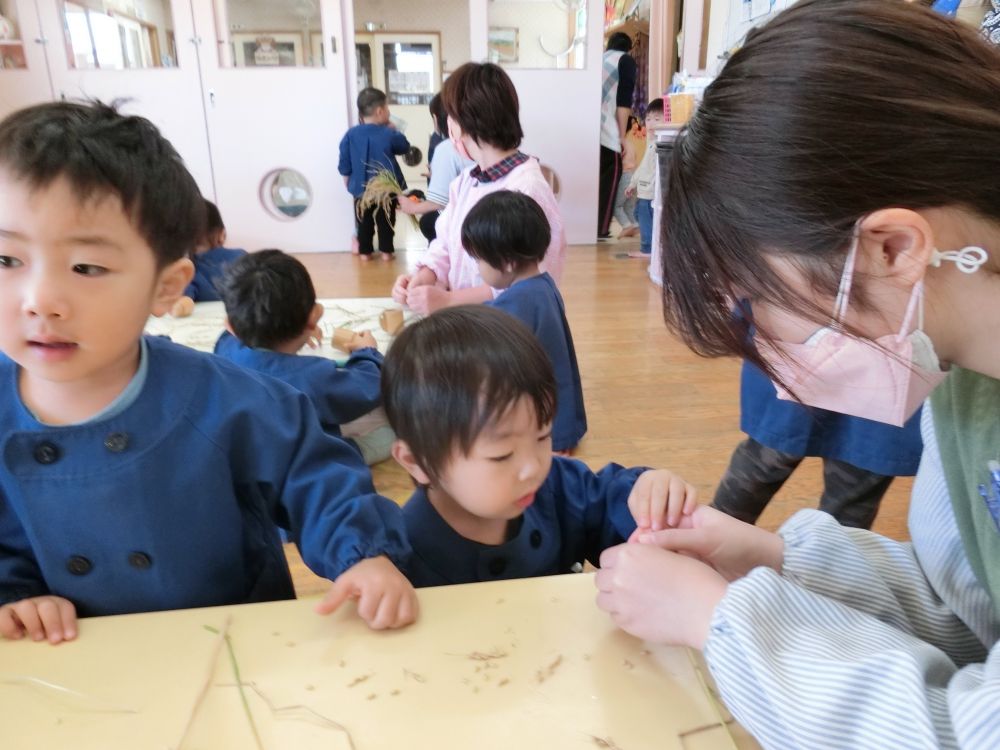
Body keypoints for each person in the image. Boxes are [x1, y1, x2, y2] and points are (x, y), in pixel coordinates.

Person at [595, 2, 1000, 746]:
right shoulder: (965, 381)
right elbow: (970, 619)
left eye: (757, 305)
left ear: (892, 248)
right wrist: (775, 558)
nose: (779, 374)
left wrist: (721, 622)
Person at [0, 101, 416, 645]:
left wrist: (362, 555)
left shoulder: (225, 397)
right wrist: (13, 592)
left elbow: (313, 471)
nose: (40, 301)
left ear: (167, 286)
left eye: (86, 267)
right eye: (7, 260)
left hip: (235, 646)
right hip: (74, 660)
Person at [381, 305, 696, 587]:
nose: (534, 466)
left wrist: (647, 497)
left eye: (543, 436)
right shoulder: (396, 557)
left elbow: (608, 502)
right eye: (501, 455)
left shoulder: (558, 486)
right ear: (417, 461)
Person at [713, 306, 924, 529]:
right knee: (766, 459)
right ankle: (705, 543)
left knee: (855, 484)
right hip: (805, 337)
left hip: (883, 360)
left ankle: (707, 542)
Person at [390, 62, 567, 315]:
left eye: (451, 116)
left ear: (469, 120)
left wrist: (448, 301)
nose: (448, 125)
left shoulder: (528, 189)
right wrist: (424, 276)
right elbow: (445, 243)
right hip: (470, 323)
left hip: (504, 331)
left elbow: (533, 282)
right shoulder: (466, 181)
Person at [214, 249, 392, 465]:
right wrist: (367, 352)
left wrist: (296, 331)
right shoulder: (312, 378)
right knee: (393, 436)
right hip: (297, 458)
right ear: (313, 317)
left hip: (245, 452)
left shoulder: (225, 348)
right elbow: (368, 386)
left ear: (230, 327)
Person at [463, 190, 586, 454]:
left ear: (506, 262)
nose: (477, 268)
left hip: (545, 430)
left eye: (479, 260)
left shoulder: (519, 303)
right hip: (562, 418)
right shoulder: (542, 286)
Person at [338, 87, 410, 261]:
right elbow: (404, 147)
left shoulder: (350, 134)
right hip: (386, 186)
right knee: (386, 219)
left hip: (360, 187)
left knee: (364, 220)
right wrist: (396, 131)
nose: (389, 112)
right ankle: (386, 252)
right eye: (387, 109)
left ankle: (365, 253)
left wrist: (347, 178)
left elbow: (344, 160)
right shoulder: (389, 133)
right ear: (380, 111)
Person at [397, 93, 473, 243]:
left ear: (436, 119)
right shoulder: (481, 142)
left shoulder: (447, 148)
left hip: (467, 221)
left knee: (428, 222)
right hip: (482, 214)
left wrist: (412, 207)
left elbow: (437, 203)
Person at [170, 199, 246, 317]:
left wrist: (181, 304)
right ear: (222, 235)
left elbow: (184, 297)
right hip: (243, 316)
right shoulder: (241, 255)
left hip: (205, 319)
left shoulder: (187, 269)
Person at [597, 32, 637, 240]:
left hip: (587, 129)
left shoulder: (599, 59)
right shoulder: (625, 60)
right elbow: (623, 102)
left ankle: (590, 229)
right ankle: (600, 231)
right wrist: (622, 136)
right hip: (605, 131)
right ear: (629, 48)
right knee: (608, 182)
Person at [625, 98, 665, 258]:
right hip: (643, 190)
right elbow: (643, 168)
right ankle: (651, 247)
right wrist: (632, 184)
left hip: (649, 193)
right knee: (640, 216)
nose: (651, 123)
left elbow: (656, 171)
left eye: (657, 119)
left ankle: (647, 249)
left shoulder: (658, 145)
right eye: (648, 119)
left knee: (645, 220)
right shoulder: (651, 143)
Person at [612, 115, 641, 239]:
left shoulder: (617, 143)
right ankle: (635, 225)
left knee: (616, 206)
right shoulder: (630, 144)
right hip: (634, 176)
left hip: (625, 176)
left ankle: (626, 226)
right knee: (629, 205)